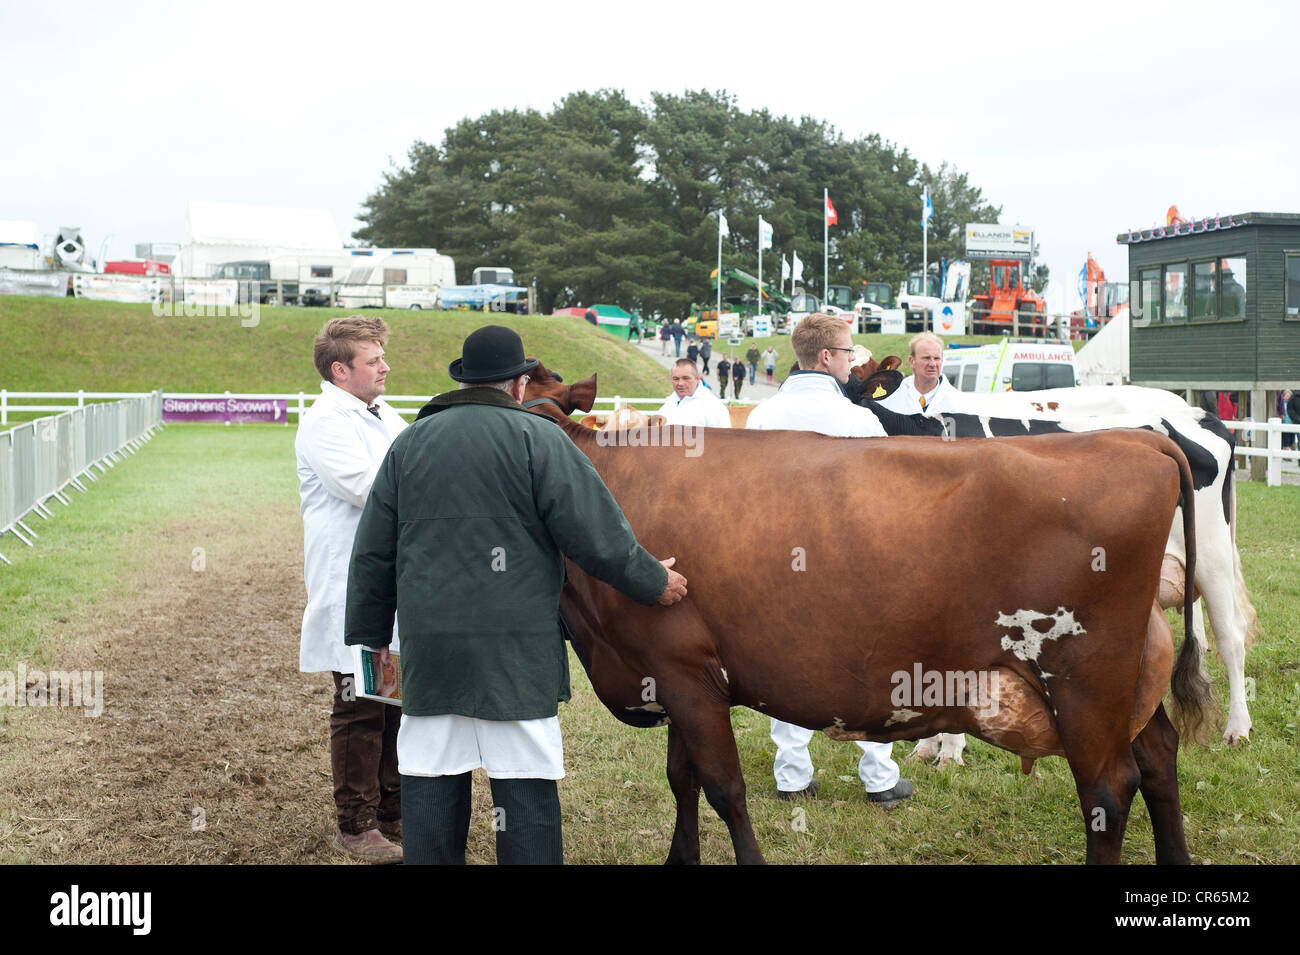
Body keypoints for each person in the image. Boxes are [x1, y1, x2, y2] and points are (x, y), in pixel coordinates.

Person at [344, 325, 688, 865]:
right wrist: (653, 581)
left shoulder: (408, 443)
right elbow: (596, 536)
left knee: (431, 774)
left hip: (433, 650)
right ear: (520, 385)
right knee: (524, 785)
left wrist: (369, 637)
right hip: (517, 653)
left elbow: (372, 553)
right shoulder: (541, 439)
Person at [747, 314, 912, 808]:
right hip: (848, 564)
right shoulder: (859, 421)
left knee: (785, 661)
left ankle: (792, 775)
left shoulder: (759, 418)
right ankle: (879, 778)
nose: (848, 361)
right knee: (865, 664)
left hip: (778, 559)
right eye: (845, 353)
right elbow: (885, 500)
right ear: (825, 357)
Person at [295, 315, 408, 864]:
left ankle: (392, 808)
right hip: (350, 581)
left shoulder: (382, 413)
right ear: (341, 370)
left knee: (390, 699)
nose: (386, 367)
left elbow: (417, 459)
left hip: (389, 577)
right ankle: (356, 822)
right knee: (358, 701)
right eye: (374, 360)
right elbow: (368, 488)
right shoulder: (324, 422)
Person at [875, 332, 958, 415]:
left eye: (937, 358)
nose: (933, 364)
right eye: (926, 358)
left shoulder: (958, 403)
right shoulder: (889, 400)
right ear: (912, 361)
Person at [656, 359, 732, 428]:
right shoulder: (672, 400)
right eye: (676, 379)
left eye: (686, 378)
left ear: (697, 378)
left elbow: (725, 440)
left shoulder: (714, 407)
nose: (680, 383)